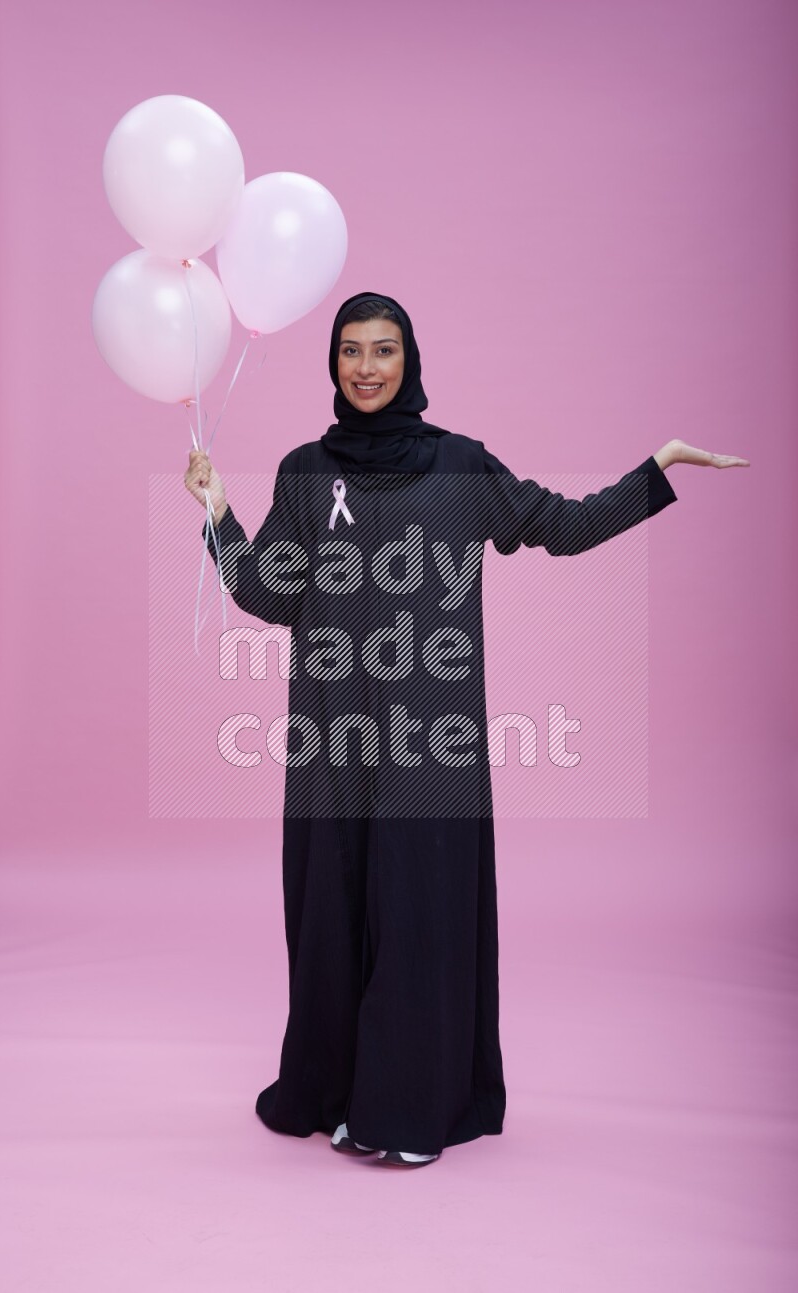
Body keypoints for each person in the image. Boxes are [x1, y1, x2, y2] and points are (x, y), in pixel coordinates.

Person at [185, 291, 749, 1169]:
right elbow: (268, 592)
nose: (366, 368)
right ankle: (333, 1090)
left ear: (409, 359)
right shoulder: (304, 471)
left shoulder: (461, 468)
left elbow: (561, 526)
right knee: (332, 918)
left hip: (429, 752)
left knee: (415, 919)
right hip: (332, 747)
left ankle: (402, 1114)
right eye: (350, 352)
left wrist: (655, 473)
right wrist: (216, 510)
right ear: (332, 365)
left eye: (383, 350)